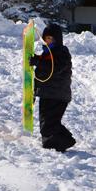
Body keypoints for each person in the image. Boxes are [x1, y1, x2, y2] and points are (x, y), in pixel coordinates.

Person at [30, 23, 76, 152]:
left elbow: (55, 68)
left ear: (57, 39)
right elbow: (44, 69)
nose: (48, 40)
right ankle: (64, 141)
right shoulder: (47, 53)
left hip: (58, 95)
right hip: (48, 93)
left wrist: (39, 62)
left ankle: (59, 144)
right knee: (48, 123)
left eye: (51, 38)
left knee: (48, 125)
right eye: (46, 38)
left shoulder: (62, 52)